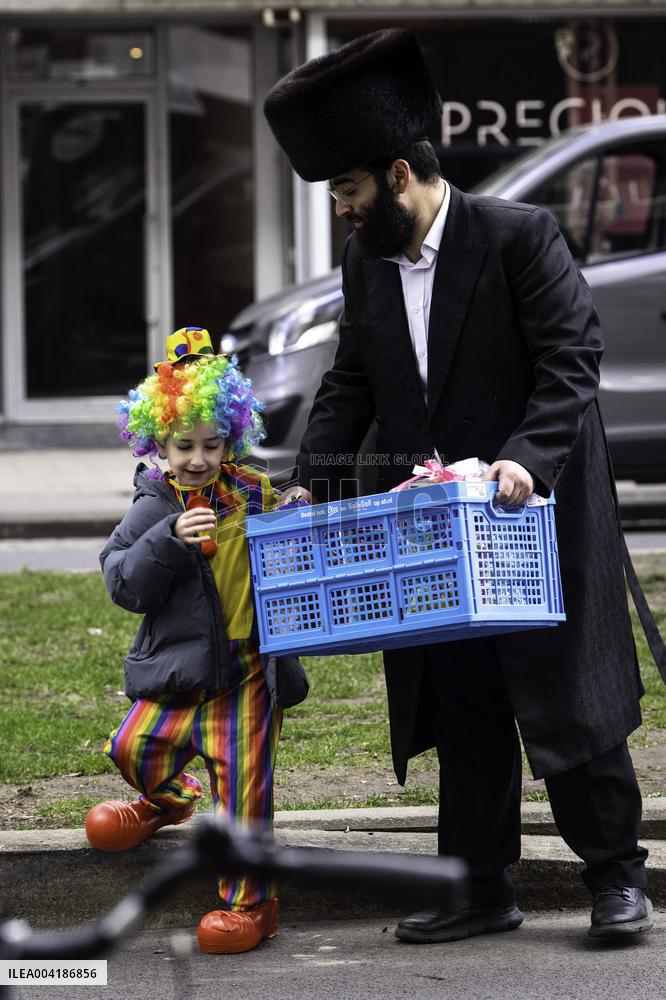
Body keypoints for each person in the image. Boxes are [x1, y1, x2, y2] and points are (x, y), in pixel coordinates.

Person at [263, 28, 661, 941]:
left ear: (399, 175)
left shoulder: (521, 236)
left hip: (536, 504)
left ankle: (614, 880)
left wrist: (526, 459)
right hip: (434, 524)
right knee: (463, 696)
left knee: (567, 696)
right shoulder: (366, 264)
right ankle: (481, 891)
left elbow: (573, 361)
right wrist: (310, 484)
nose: (345, 214)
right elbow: (350, 384)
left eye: (351, 193)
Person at [85, 327, 308, 955]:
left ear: (232, 439)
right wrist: (169, 540)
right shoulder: (155, 505)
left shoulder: (250, 491)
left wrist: (295, 499)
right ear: (159, 442)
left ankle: (250, 906)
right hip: (177, 675)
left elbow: (289, 510)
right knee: (132, 748)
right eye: (184, 446)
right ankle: (169, 801)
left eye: (214, 444)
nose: (199, 458)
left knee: (244, 795)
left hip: (246, 678)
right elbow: (122, 581)